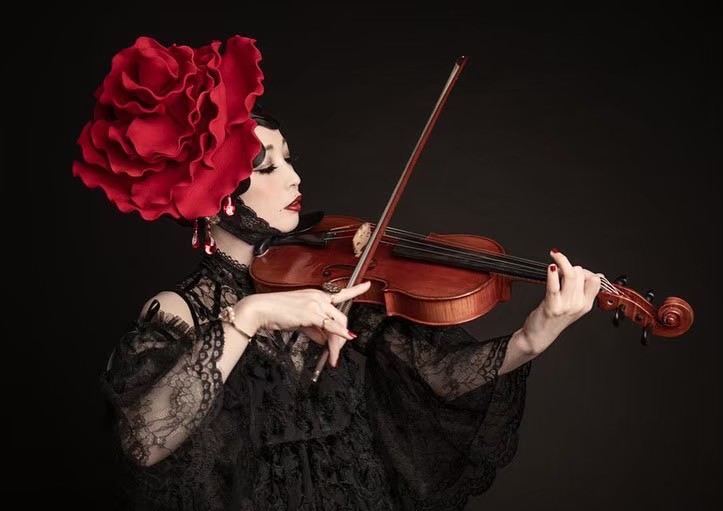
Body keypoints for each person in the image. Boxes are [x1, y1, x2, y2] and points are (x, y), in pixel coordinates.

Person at [73, 35, 602, 511]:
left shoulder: (329, 281)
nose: (294, 178)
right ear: (214, 198)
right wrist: (248, 315)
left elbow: (435, 375)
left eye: (289, 159)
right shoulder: (180, 311)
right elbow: (143, 442)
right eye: (268, 166)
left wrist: (530, 339)